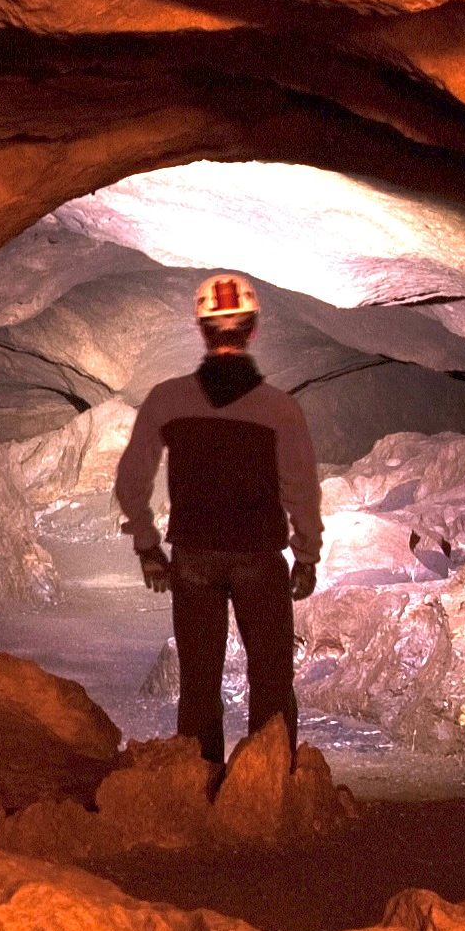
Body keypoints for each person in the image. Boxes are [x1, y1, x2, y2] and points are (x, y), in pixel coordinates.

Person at [113, 270, 322, 773]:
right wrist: (307, 555)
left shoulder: (167, 399)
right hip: (259, 560)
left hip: (193, 560)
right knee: (271, 682)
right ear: (253, 330)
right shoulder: (280, 409)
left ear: (202, 332)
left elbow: (131, 479)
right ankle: (267, 786)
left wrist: (148, 546)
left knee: (199, 685)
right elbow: (300, 489)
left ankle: (201, 786)